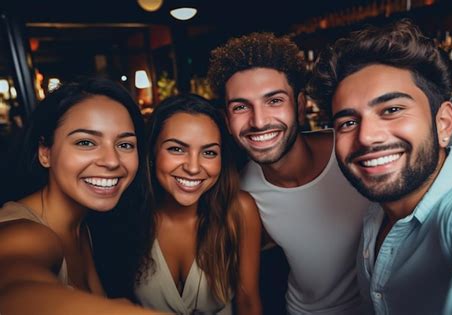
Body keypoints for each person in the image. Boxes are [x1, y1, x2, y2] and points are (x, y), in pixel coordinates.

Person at [311, 19, 452, 314]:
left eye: (392, 110)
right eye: (348, 122)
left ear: (443, 123)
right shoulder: (377, 207)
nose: (366, 137)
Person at [207, 33, 371, 314]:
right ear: (226, 120)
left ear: (300, 104)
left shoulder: (356, 151)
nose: (258, 122)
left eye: (274, 101)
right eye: (240, 107)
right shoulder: (244, 192)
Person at [0, 78, 161, 315]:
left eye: (125, 145)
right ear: (45, 152)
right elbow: (14, 291)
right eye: (86, 142)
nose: (112, 161)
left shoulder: (83, 225)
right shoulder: (23, 233)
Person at [134, 94, 262, 315]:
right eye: (177, 149)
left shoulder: (239, 210)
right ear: (152, 152)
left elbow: (248, 301)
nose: (193, 167)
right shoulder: (129, 216)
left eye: (209, 152)